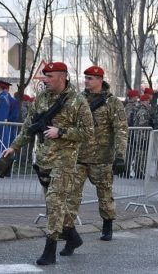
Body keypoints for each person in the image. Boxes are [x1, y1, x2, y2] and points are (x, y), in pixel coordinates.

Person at [1, 62, 94, 265]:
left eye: (50, 76)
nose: (45, 80)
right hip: (44, 160)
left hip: (65, 161)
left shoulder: (78, 101)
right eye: (45, 76)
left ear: (62, 77)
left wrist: (61, 132)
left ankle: (49, 250)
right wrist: (14, 147)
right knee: (56, 206)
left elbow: (88, 133)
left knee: (54, 202)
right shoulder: (42, 98)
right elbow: (29, 126)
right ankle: (73, 237)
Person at [61, 65, 127, 254]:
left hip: (102, 158)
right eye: (85, 78)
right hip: (78, 157)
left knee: (105, 195)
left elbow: (121, 130)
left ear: (100, 80)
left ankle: (107, 225)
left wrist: (120, 155)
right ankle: (69, 234)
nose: (86, 81)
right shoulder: (77, 100)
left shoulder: (113, 102)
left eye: (90, 78)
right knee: (71, 196)